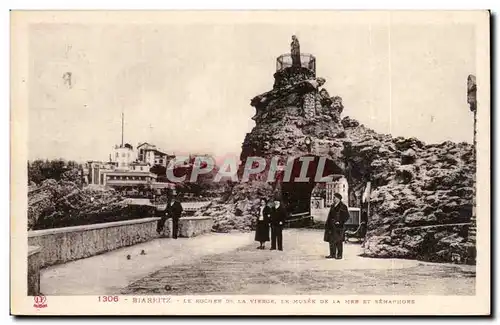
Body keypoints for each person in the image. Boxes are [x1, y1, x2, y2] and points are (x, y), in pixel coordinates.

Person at [324, 193, 350, 259]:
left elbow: (347, 216)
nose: (333, 199)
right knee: (331, 240)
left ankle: (339, 255)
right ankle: (332, 254)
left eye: (335, 198)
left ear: (338, 199)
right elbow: (330, 216)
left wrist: (340, 222)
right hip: (331, 225)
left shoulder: (343, 206)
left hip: (339, 226)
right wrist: (327, 224)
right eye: (333, 198)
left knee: (339, 240)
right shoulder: (333, 206)